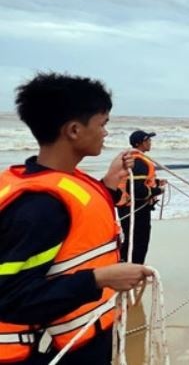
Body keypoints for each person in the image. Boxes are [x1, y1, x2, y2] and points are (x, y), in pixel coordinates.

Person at [0, 72, 152, 364]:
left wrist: (108, 183)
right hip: (56, 353)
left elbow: (76, 234)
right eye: (102, 124)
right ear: (73, 130)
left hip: (85, 339)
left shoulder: (61, 181)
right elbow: (10, 297)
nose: (106, 133)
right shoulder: (40, 206)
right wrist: (100, 278)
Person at [117, 130, 166, 264]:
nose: (150, 143)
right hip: (135, 208)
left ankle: (124, 267)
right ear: (139, 143)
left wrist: (156, 182)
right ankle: (134, 271)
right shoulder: (138, 161)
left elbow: (138, 183)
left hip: (128, 207)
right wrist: (158, 190)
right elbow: (137, 190)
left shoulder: (132, 158)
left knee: (130, 240)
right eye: (147, 140)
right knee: (139, 241)